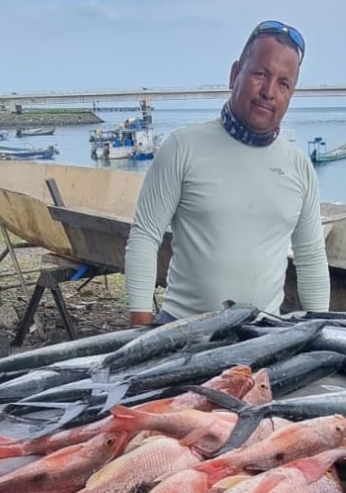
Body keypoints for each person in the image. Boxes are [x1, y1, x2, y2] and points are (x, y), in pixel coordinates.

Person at [124, 20, 331, 326]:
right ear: (235, 74)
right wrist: (141, 330)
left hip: (263, 338)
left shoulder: (299, 167)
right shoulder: (182, 148)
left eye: (283, 83)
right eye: (260, 74)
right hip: (181, 331)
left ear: (291, 94)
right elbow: (144, 236)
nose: (269, 92)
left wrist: (320, 330)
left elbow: (311, 256)